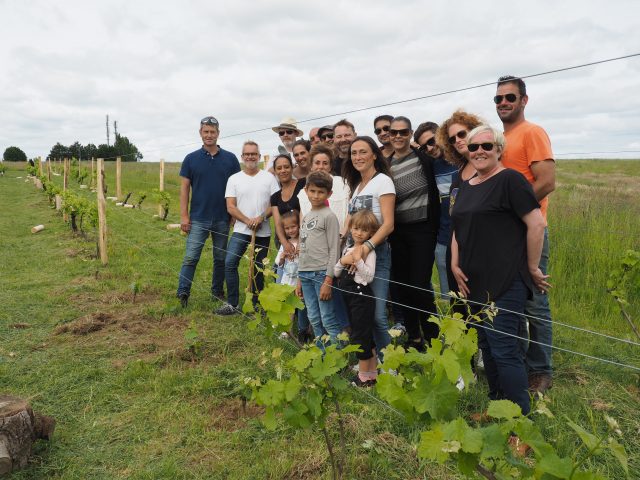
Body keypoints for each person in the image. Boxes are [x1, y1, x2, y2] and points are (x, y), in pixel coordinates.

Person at [450, 125, 549, 416]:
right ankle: (497, 407)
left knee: (505, 350)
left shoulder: (510, 181)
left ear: (499, 150)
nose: (479, 151)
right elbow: (458, 227)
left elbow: (536, 223)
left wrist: (531, 266)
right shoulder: (467, 186)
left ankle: (520, 419)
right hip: (472, 280)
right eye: (473, 147)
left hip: (504, 280)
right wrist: (455, 263)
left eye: (487, 146)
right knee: (487, 347)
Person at [495, 75, 556, 394]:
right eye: (499, 99)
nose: (504, 103)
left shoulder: (532, 132)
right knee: (512, 300)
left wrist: (513, 210)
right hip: (506, 236)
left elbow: (546, 181)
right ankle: (517, 362)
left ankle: (541, 371)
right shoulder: (500, 139)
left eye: (510, 97)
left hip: (530, 231)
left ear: (524, 100)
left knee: (535, 303)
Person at [387, 116, 441, 351]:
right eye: (393, 132)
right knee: (402, 286)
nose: (398, 136)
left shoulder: (424, 158)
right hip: (397, 232)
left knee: (419, 285)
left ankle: (433, 337)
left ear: (410, 134)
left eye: (403, 132)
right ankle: (414, 337)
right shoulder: (385, 165)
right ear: (388, 135)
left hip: (423, 230)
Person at [176, 116, 240, 308]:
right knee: (191, 256)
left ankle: (217, 291)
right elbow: (185, 189)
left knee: (220, 258)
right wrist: (184, 216)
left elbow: (236, 188)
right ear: (200, 133)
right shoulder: (191, 159)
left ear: (218, 134)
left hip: (222, 217)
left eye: (213, 132)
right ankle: (183, 292)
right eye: (206, 132)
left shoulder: (230, 159)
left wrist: (233, 215)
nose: (209, 135)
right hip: (198, 218)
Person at [343, 136, 395, 359]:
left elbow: (389, 223)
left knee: (378, 316)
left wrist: (366, 248)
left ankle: (390, 364)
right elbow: (348, 223)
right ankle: (369, 362)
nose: (357, 157)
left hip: (376, 254)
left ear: (374, 154)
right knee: (361, 312)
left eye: (363, 152)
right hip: (353, 256)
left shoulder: (383, 181)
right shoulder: (357, 187)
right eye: (354, 153)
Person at [216, 141, 279, 315]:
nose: (250, 157)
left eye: (254, 154)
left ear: (259, 157)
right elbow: (231, 206)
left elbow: (274, 203)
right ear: (242, 157)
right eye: (247, 154)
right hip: (241, 230)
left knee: (258, 268)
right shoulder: (234, 179)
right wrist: (247, 220)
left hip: (263, 231)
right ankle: (233, 304)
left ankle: (257, 305)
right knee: (230, 263)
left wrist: (261, 218)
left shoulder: (269, 178)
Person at [436, 110, 483, 300]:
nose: (458, 140)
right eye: (453, 138)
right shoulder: (459, 172)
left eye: (462, 134)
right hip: (457, 248)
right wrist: (454, 262)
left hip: (481, 249)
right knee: (460, 306)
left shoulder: (488, 168)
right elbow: (456, 219)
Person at [296, 171, 342, 345]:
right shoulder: (306, 217)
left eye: (321, 192)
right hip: (305, 274)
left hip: (321, 274)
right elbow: (303, 247)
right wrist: (299, 278)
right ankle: (322, 353)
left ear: (329, 194)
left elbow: (334, 249)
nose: (316, 196)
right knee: (313, 317)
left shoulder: (329, 216)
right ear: (306, 190)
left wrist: (328, 279)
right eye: (313, 191)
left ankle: (338, 357)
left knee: (327, 318)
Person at [335, 209, 379, 386]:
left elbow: (369, 277)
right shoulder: (348, 248)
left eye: (364, 230)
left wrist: (358, 261)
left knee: (361, 336)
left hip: (362, 297)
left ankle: (363, 377)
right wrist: (344, 261)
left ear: (371, 233)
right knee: (362, 333)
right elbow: (336, 272)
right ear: (351, 228)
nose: (359, 233)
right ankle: (372, 372)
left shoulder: (369, 252)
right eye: (356, 228)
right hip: (349, 298)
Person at [415, 121, 458, 299]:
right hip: (444, 238)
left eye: (432, 141)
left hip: (470, 237)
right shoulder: (433, 166)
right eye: (424, 147)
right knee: (449, 296)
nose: (430, 148)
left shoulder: (464, 159)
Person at [275, 210, 311, 343]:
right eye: (287, 228)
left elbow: (307, 261)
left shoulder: (304, 244)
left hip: (299, 281)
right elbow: (279, 263)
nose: (290, 230)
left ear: (299, 226)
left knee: (302, 306)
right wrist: (283, 256)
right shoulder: (285, 244)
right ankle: (287, 331)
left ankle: (304, 330)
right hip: (287, 281)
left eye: (293, 227)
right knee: (289, 307)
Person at [271, 153, 306, 258]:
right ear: (275, 171)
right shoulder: (275, 197)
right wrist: (285, 243)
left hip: (305, 239)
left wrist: (301, 241)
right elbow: (277, 223)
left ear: (292, 168)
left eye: (286, 167)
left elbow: (306, 212)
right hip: (287, 241)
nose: (283, 170)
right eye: (279, 168)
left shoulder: (303, 184)